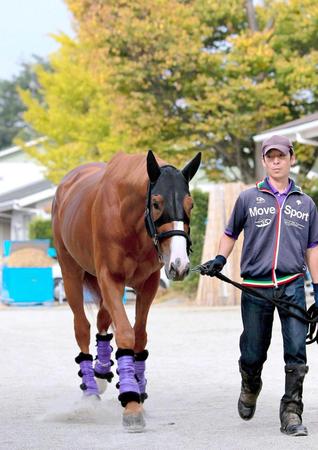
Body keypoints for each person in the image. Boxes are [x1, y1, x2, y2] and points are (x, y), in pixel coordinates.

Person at [201, 135, 318, 437]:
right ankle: (250, 384)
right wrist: (218, 258)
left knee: (297, 352)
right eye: (271, 156)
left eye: (282, 156)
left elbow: (313, 249)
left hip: (292, 286)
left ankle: (291, 411)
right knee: (253, 351)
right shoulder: (247, 199)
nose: (277, 161)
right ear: (264, 161)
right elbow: (230, 233)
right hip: (255, 287)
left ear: (292, 158)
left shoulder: (306, 204)